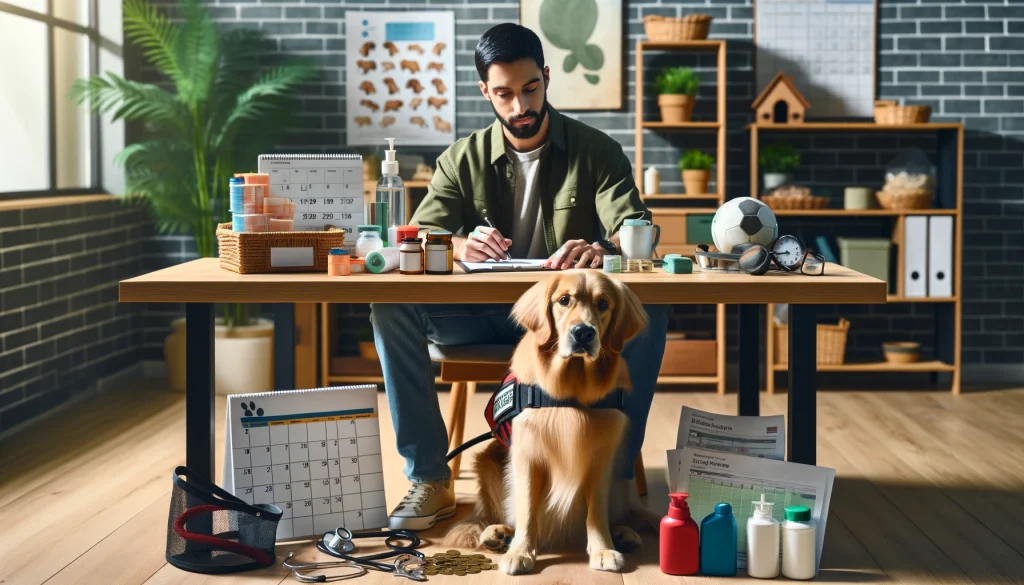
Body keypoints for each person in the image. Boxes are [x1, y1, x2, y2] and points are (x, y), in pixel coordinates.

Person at [370, 23, 669, 531]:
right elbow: (416, 236)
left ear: (546, 78)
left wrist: (599, 247)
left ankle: (612, 482)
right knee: (391, 305)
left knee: (651, 311)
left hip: (567, 323)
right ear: (485, 91)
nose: (520, 106)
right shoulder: (460, 159)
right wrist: (460, 244)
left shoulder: (597, 151)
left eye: (530, 89)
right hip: (482, 317)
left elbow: (636, 229)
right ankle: (430, 479)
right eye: (504, 93)